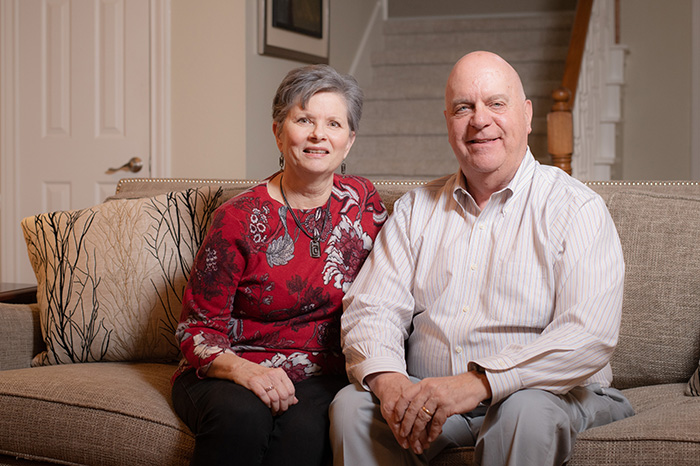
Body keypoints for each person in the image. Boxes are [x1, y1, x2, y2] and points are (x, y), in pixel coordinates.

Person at [329, 51, 635, 466]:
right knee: (354, 406)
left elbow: (587, 336)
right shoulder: (416, 209)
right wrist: (391, 383)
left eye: (496, 103)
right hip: (434, 399)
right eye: (463, 108)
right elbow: (371, 309)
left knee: (521, 411)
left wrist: (480, 382)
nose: (479, 120)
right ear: (448, 122)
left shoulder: (576, 208)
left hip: (550, 397)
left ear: (527, 115)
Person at [171, 64, 387, 466]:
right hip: (229, 367)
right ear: (278, 132)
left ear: (349, 140)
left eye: (333, 124)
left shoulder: (363, 202)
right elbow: (195, 330)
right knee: (243, 417)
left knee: (306, 432)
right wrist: (246, 372)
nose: (318, 134)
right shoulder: (237, 218)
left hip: (322, 374)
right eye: (304, 120)